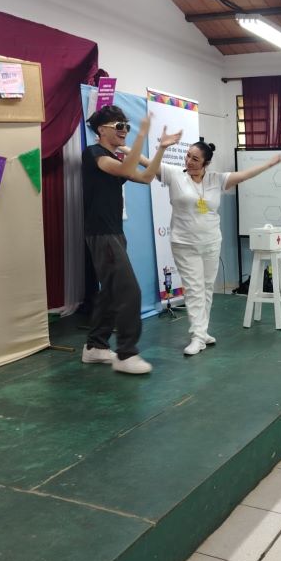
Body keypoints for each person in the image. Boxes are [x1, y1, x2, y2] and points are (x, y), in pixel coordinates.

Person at [157, 141, 281, 356]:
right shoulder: (174, 174)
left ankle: (202, 331)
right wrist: (124, 148)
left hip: (211, 242)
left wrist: (269, 164)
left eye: (195, 159)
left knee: (207, 287)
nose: (189, 161)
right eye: (188, 156)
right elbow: (147, 164)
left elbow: (244, 175)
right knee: (194, 288)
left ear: (206, 163)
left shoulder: (215, 179)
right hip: (184, 243)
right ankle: (197, 336)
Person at [81, 108, 182, 374]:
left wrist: (160, 148)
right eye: (119, 126)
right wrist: (141, 136)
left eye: (127, 126)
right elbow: (126, 169)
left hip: (113, 232)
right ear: (102, 130)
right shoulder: (94, 153)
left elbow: (146, 177)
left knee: (110, 292)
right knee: (129, 292)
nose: (125, 130)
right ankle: (126, 354)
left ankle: (95, 347)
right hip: (102, 233)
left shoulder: (113, 157)